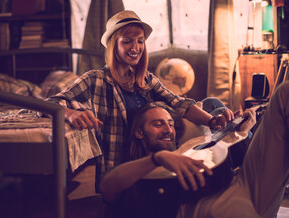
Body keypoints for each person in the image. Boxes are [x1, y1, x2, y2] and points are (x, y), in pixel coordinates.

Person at [48, 10, 234, 189]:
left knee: (215, 107)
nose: (135, 48)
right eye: (127, 41)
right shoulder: (94, 80)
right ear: (114, 45)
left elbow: (178, 103)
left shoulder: (146, 79)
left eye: (140, 41)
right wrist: (71, 114)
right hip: (124, 169)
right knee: (215, 108)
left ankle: (235, 170)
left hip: (158, 150)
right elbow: (50, 104)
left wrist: (212, 121)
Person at [100, 81, 289, 218]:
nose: (168, 130)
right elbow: (107, 186)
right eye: (158, 124)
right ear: (140, 133)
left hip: (245, 188)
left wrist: (242, 133)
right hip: (211, 208)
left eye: (171, 124)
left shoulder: (187, 148)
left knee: (284, 93)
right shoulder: (137, 176)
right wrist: (157, 159)